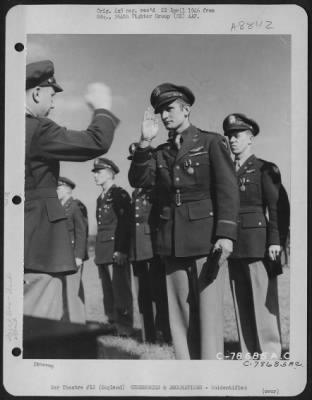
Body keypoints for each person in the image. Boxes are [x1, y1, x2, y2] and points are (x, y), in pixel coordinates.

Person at [128, 83, 240, 359]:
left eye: (169, 109)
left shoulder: (211, 142)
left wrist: (225, 235)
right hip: (171, 242)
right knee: (180, 315)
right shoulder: (159, 152)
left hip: (205, 240)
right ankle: (187, 374)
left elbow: (227, 189)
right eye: (160, 112)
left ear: (186, 109)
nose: (165, 116)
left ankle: (211, 377)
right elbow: (138, 180)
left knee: (209, 316)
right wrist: (144, 143)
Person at [24, 59, 119, 320]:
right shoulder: (37, 129)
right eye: (51, 95)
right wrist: (102, 108)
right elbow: (95, 141)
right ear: (36, 93)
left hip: (19, 237)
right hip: (39, 244)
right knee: (37, 320)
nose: (53, 103)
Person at [222, 113, 290, 358]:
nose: (232, 140)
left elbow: (278, 208)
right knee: (242, 304)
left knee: (263, 304)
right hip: (235, 245)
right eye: (229, 136)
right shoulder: (226, 170)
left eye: (237, 136)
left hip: (259, 245)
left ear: (250, 138)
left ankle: (270, 354)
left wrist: (275, 241)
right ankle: (248, 354)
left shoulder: (264, 168)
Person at [128, 144, 171, 344]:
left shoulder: (156, 189)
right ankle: (149, 335)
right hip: (138, 249)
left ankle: (166, 332)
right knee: (143, 295)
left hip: (153, 248)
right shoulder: (135, 193)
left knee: (160, 294)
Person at [92, 157, 133, 336]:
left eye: (99, 172)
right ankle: (112, 320)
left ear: (110, 174)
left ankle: (124, 325)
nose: (95, 176)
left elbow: (125, 222)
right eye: (95, 172)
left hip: (115, 249)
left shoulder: (119, 194)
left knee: (120, 288)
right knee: (107, 289)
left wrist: (122, 249)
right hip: (103, 250)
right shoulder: (100, 198)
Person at [57, 176, 89, 323]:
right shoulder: (59, 207)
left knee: (73, 290)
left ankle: (77, 322)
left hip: (72, 256)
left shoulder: (76, 206)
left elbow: (82, 231)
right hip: (61, 256)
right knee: (62, 291)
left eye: (58, 187)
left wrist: (78, 256)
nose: (55, 191)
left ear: (66, 189)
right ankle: (66, 321)